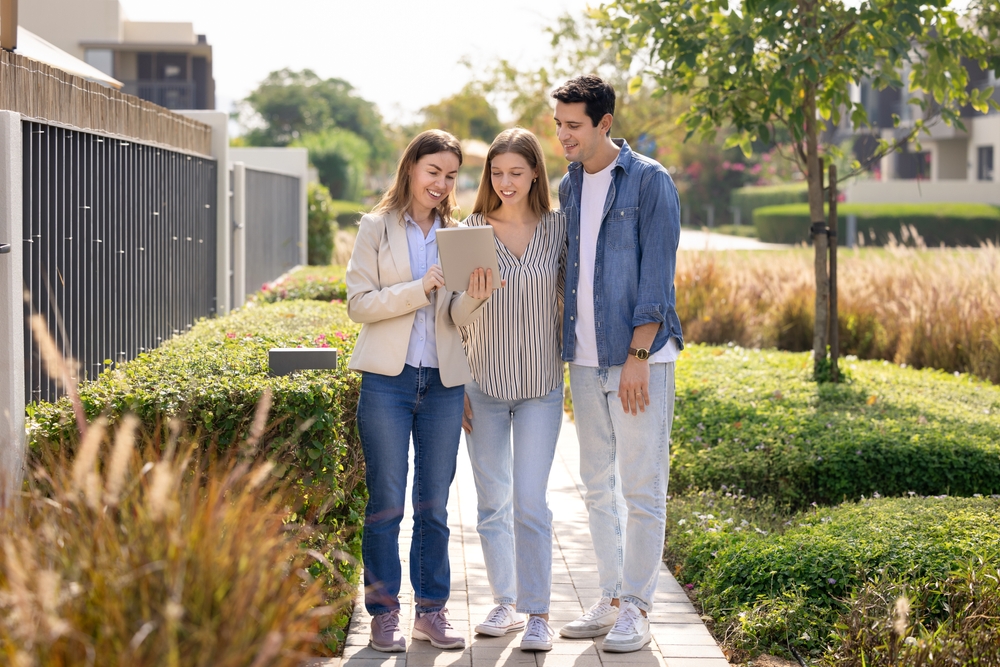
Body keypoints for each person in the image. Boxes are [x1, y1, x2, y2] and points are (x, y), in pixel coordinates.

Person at [345, 129, 496, 653]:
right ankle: (383, 614)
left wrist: (475, 297)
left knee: (433, 505)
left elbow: (454, 316)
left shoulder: (458, 234)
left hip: (443, 386)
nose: (441, 183)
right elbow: (359, 303)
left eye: (451, 175)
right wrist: (419, 288)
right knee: (386, 503)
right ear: (411, 167)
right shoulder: (376, 228)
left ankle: (431, 612)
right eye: (433, 171)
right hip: (387, 381)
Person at [551, 75, 684, 653]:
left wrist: (637, 355)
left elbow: (657, 278)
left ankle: (637, 606)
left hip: (639, 360)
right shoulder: (570, 185)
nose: (563, 136)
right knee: (596, 487)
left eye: (573, 126)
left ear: (605, 124)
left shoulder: (651, 182)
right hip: (583, 358)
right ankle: (609, 600)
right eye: (558, 125)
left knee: (642, 487)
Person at [459, 128, 567, 652]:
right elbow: (449, 318)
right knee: (491, 502)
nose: (505, 182)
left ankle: (539, 612)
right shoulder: (471, 230)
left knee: (529, 500)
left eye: (516, 173)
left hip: (540, 388)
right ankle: (504, 600)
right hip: (481, 387)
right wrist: (455, 384)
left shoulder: (557, 229)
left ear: (535, 174)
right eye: (497, 173)